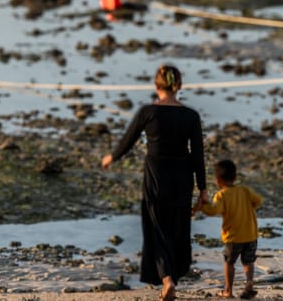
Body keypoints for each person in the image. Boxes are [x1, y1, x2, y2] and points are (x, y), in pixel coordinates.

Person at [101, 64, 207, 301]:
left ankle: (167, 279)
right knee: (177, 228)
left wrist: (111, 157)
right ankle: (172, 276)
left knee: (156, 227)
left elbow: (128, 140)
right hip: (182, 175)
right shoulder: (191, 115)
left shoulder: (148, 112)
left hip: (157, 175)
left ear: (156, 85)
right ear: (178, 85)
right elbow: (198, 154)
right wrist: (203, 189)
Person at [195, 157, 262, 299]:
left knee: (229, 262)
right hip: (250, 234)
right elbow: (258, 200)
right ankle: (249, 283)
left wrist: (203, 206)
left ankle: (228, 290)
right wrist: (249, 208)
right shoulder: (244, 190)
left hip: (233, 237)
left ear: (218, 180)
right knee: (248, 261)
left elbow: (215, 211)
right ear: (235, 177)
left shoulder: (221, 195)